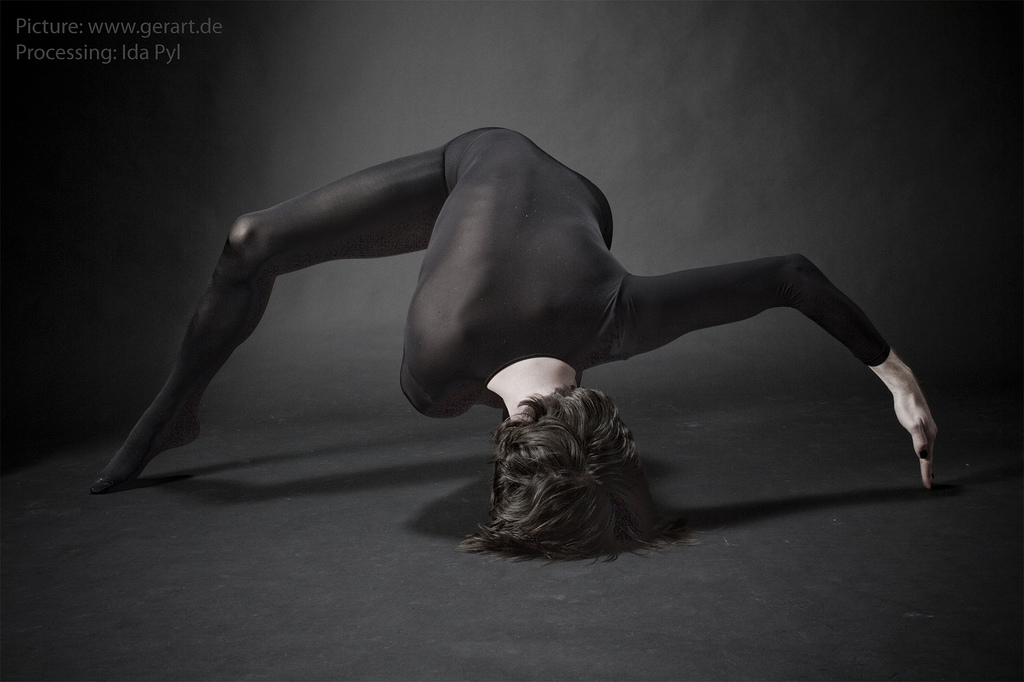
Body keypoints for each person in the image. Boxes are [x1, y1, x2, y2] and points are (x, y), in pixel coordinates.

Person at [90, 128, 937, 560]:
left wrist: (899, 381)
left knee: (247, 242)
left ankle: (173, 412)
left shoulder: (626, 322)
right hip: (479, 161)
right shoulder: (434, 378)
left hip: (561, 195)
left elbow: (790, 275)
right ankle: (176, 408)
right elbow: (791, 274)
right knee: (251, 241)